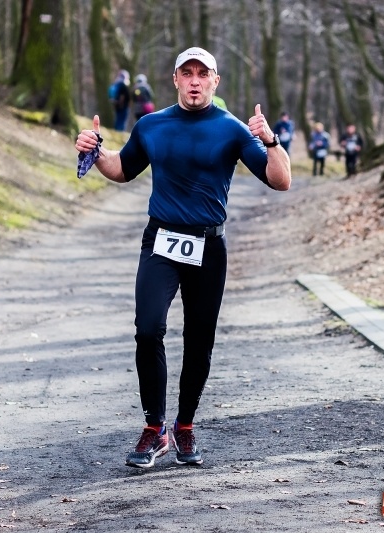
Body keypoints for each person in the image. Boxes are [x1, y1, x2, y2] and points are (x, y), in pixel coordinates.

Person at [75, 47, 291, 469]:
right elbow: (122, 169)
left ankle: (185, 425)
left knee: (199, 341)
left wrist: (270, 139)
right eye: (186, 73)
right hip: (160, 241)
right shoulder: (152, 125)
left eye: (202, 74)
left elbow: (280, 180)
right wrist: (95, 150)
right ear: (174, 79)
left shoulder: (231, 130)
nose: (194, 80)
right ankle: (154, 428)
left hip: (208, 246)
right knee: (147, 329)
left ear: (215, 81)